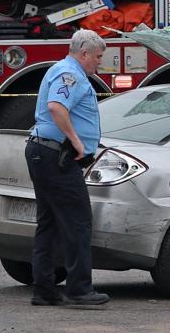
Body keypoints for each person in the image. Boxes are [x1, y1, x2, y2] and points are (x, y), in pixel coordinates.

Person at [24, 29, 109, 307]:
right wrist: (76, 142)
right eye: (97, 57)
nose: (99, 63)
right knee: (78, 222)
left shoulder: (64, 70)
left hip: (43, 152)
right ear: (84, 54)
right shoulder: (69, 74)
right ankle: (79, 289)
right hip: (56, 155)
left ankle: (44, 289)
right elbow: (56, 107)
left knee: (48, 223)